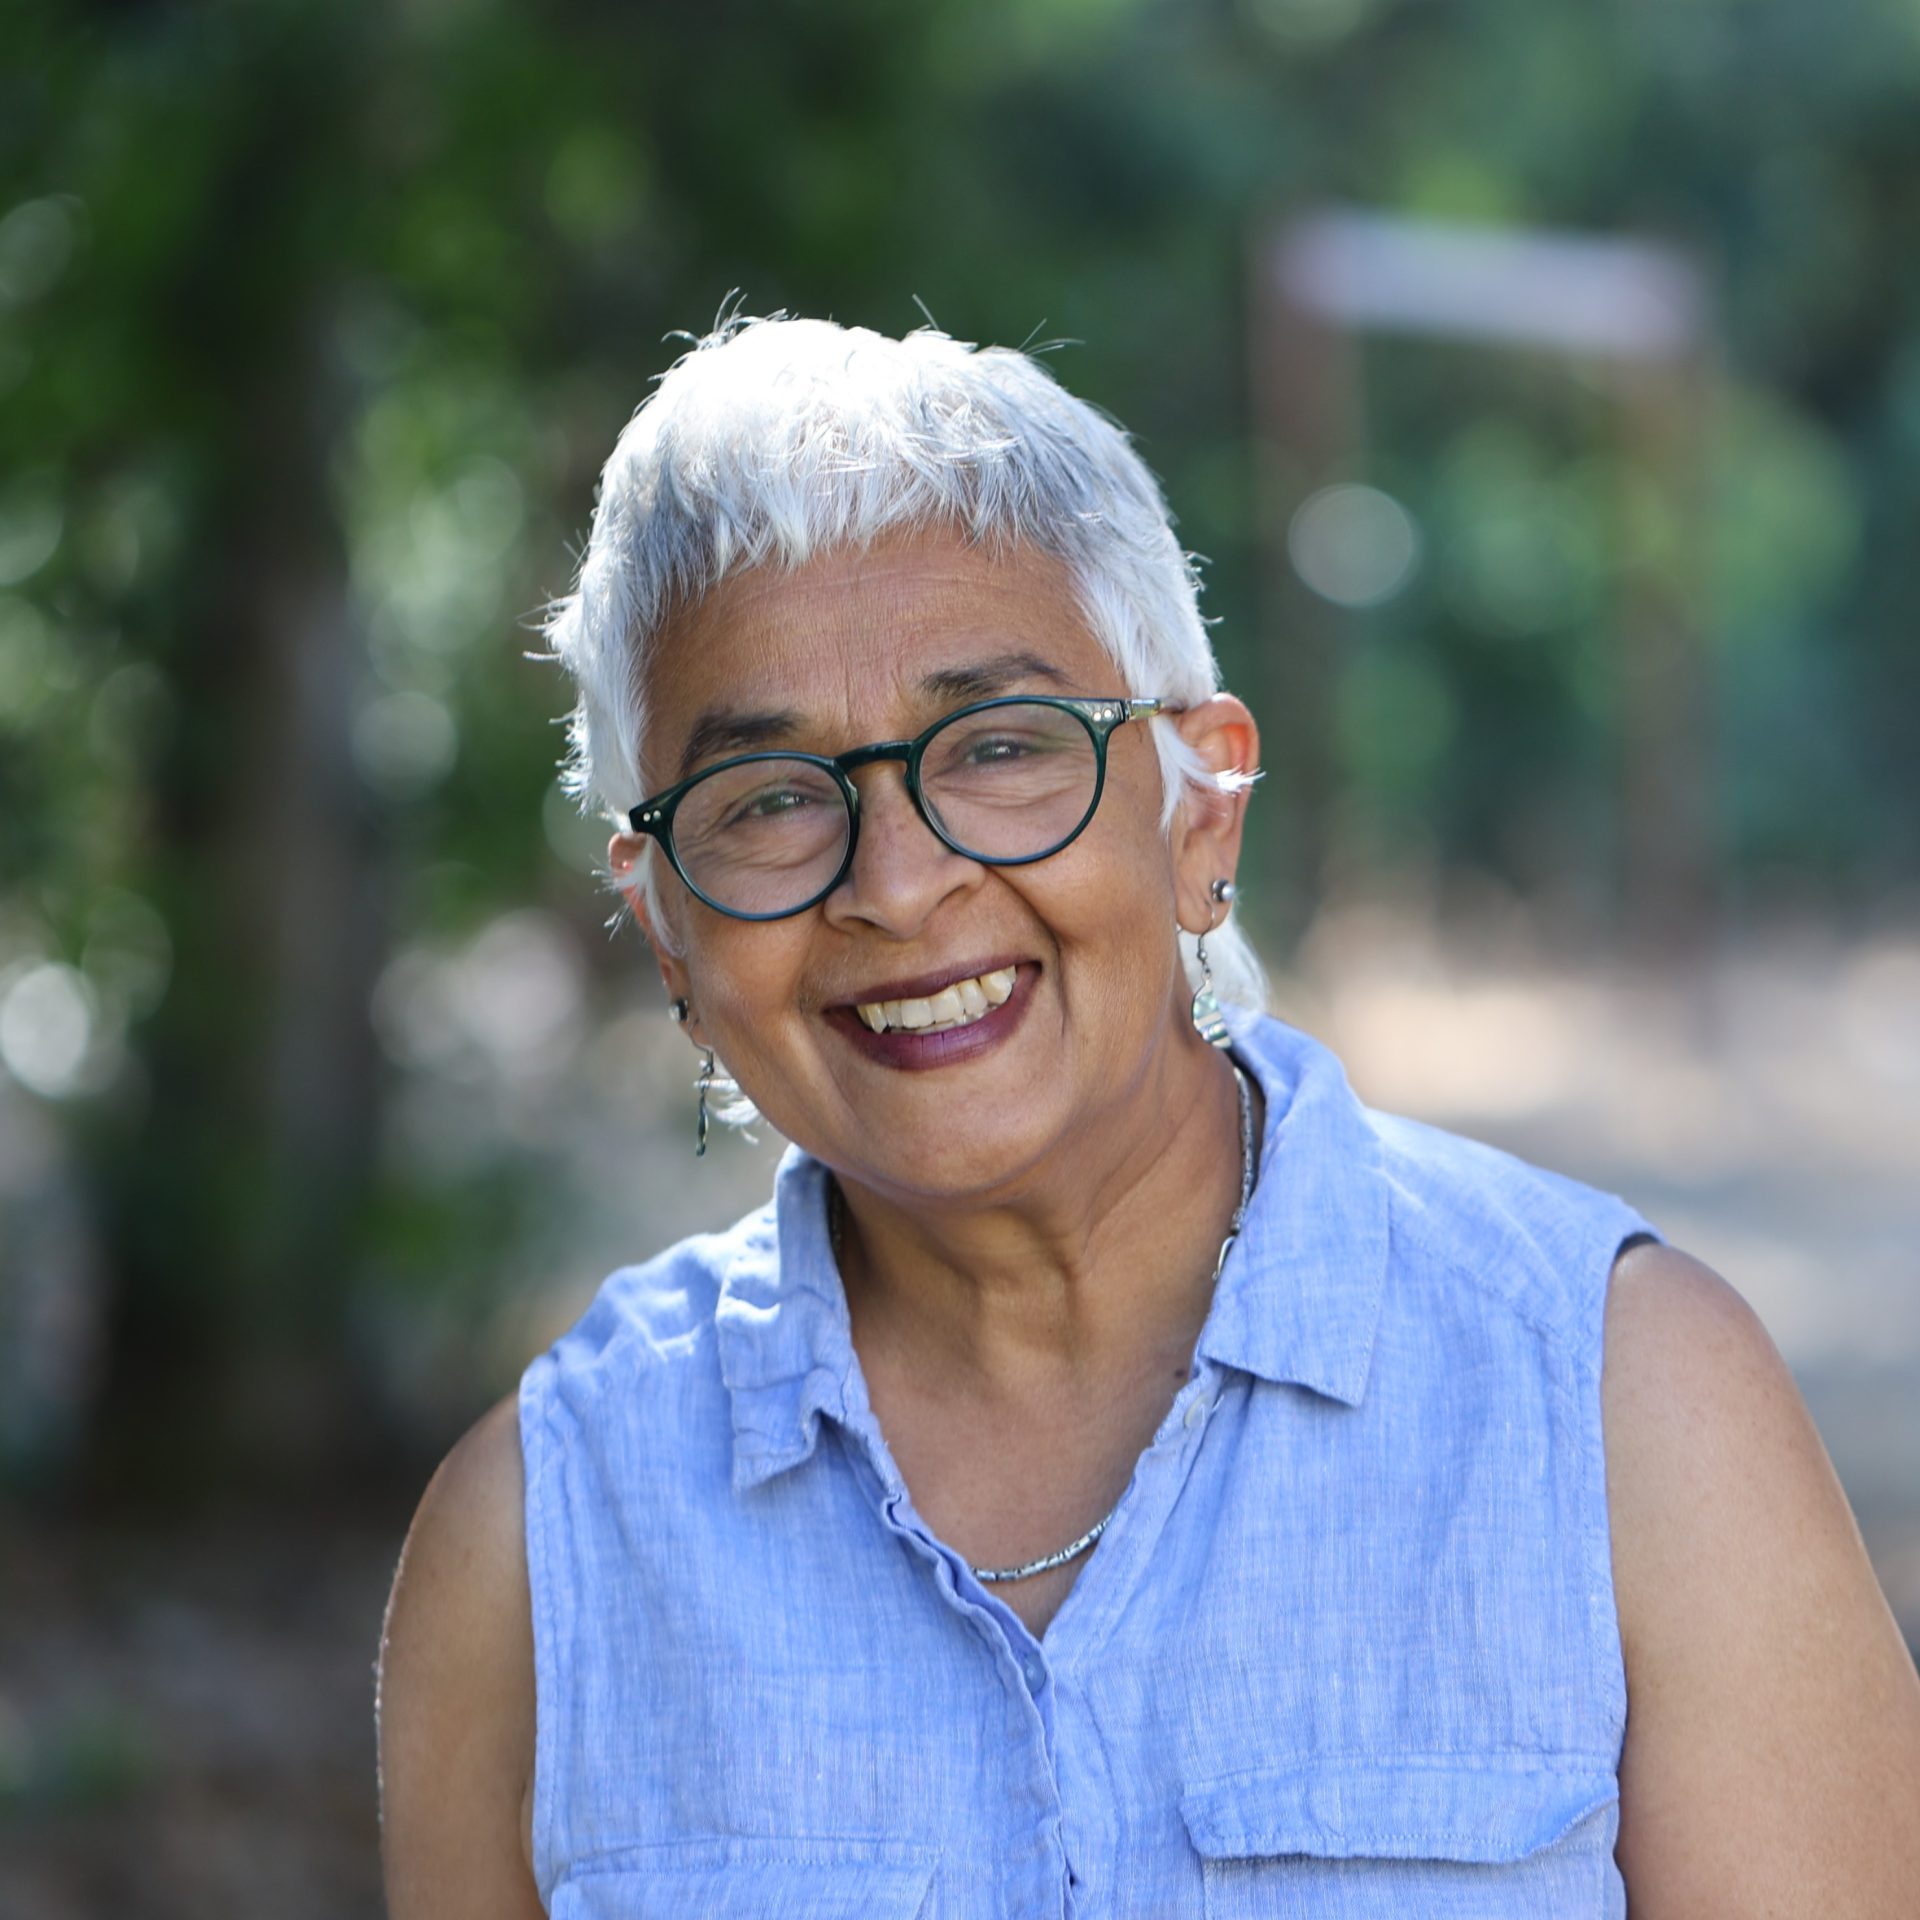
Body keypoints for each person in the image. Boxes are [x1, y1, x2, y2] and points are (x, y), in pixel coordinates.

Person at [375, 314, 1920, 1918]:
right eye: (767, 802)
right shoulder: (540, 1544)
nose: (900, 887)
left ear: (1202, 809)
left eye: (1000, 750)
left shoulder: (1624, 1406)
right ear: (667, 925)